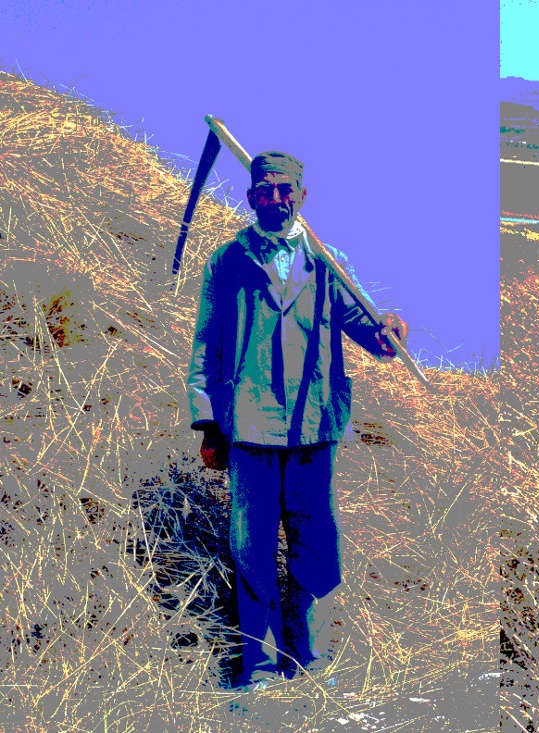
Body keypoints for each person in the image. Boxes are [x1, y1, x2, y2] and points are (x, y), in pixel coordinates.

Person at [186, 151, 408, 687]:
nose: (276, 200)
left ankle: (314, 664)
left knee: (315, 545)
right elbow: (205, 347)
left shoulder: (329, 263)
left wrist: (390, 331)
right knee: (252, 548)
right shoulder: (228, 262)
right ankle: (259, 670)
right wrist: (209, 424)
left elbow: (368, 331)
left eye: (286, 191)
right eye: (264, 191)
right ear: (251, 198)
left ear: (302, 197)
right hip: (250, 426)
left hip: (314, 426)